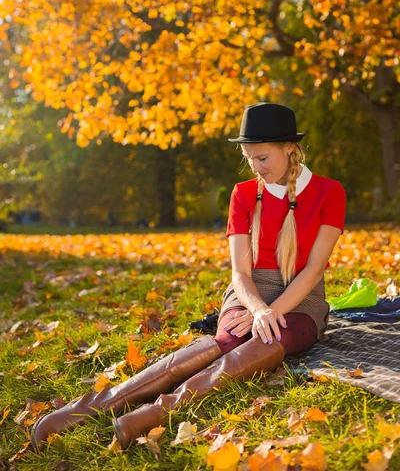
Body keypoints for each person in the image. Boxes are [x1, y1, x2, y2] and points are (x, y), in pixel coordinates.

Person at [31, 103, 346, 451]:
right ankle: (96, 405)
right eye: (249, 158)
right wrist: (258, 309)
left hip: (302, 298)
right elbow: (240, 273)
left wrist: (273, 314)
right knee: (227, 340)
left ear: (289, 147)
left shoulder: (330, 192)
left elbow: (315, 268)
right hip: (249, 291)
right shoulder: (243, 194)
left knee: (269, 340)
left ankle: (156, 413)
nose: (256, 168)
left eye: (263, 158)